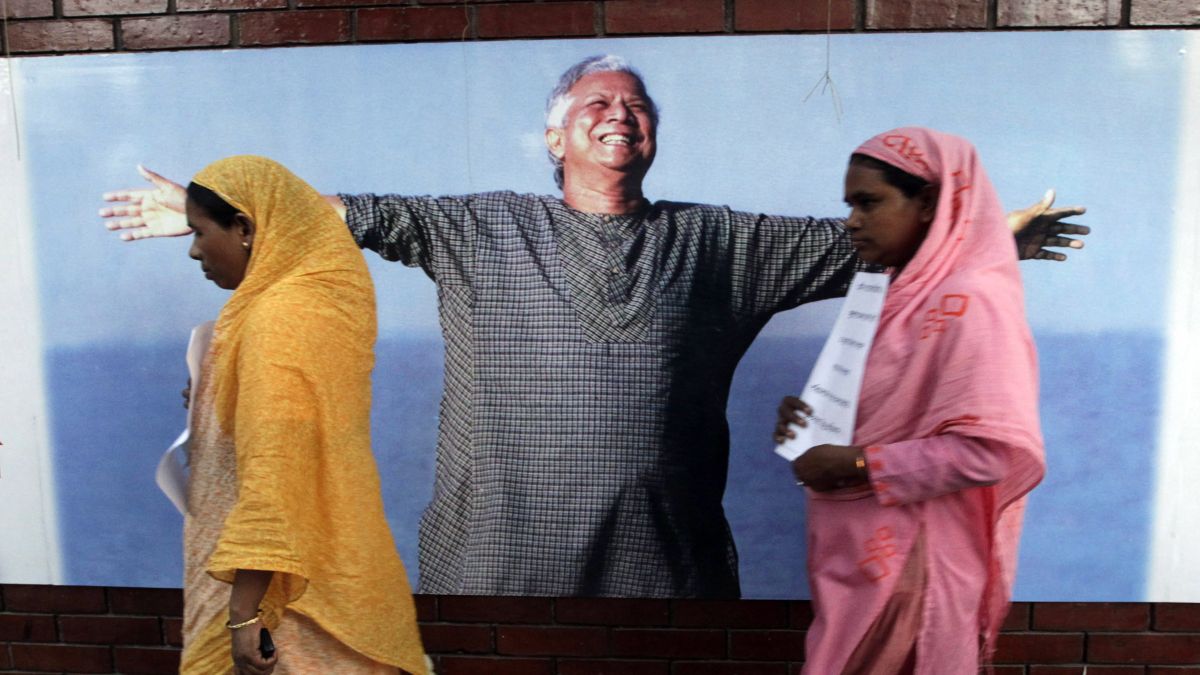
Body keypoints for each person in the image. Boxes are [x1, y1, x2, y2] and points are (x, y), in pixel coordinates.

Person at [101, 56, 1085, 598]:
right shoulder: (473, 228)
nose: (622, 113)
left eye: (638, 104)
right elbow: (333, 212)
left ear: (653, 135)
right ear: (555, 136)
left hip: (667, 583)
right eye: (597, 101)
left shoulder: (722, 245)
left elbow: (875, 240)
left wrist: (990, 237)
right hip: (490, 582)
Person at [774, 128, 1045, 673]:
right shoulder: (895, 297)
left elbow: (986, 452)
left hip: (908, 567)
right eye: (850, 204)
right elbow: (885, 413)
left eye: (869, 202)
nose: (852, 220)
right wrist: (811, 426)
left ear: (928, 202)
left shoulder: (971, 302)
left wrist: (853, 460)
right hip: (857, 557)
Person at [178, 156, 428, 674]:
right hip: (341, 576)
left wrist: (244, 617)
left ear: (244, 227)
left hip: (295, 615)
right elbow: (298, 429)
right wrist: (214, 397)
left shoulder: (280, 321)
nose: (193, 249)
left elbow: (277, 469)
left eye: (199, 232)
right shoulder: (306, 305)